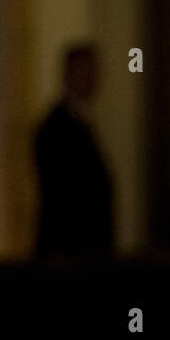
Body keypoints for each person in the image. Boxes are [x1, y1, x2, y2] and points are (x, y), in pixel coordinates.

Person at [35, 44, 114, 259]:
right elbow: (62, 195)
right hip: (68, 253)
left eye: (94, 72)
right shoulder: (54, 129)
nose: (91, 79)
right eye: (85, 71)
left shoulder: (83, 123)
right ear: (69, 74)